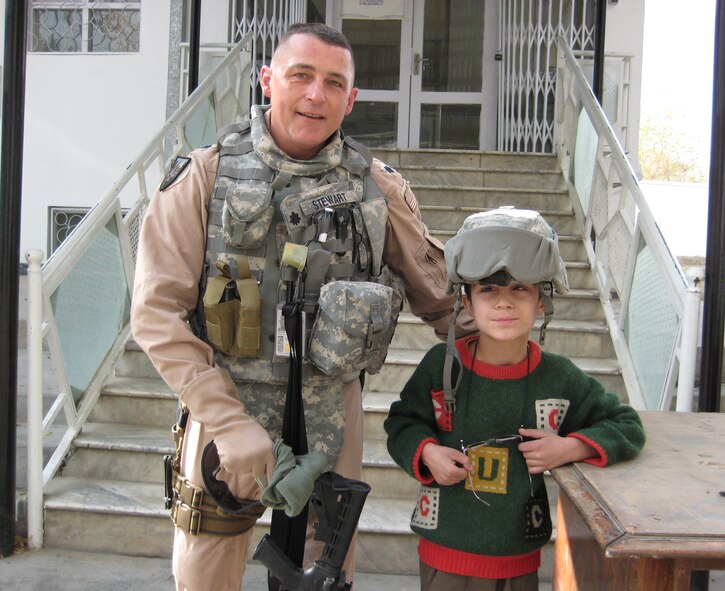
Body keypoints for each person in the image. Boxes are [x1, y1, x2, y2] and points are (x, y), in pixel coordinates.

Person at [131, 22, 471, 591]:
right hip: (226, 416)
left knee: (326, 578)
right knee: (205, 577)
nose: (316, 95)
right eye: (301, 76)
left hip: (332, 419)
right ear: (268, 80)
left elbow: (447, 308)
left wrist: (519, 364)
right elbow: (156, 315)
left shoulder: (378, 191)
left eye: (334, 83)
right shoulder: (203, 179)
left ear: (351, 98)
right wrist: (226, 420)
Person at [384, 207, 646, 591]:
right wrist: (427, 452)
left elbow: (627, 426)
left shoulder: (559, 378)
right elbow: (401, 424)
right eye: (488, 289)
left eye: (520, 288)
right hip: (444, 555)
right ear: (467, 303)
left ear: (542, 301)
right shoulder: (441, 366)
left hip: (519, 560)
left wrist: (570, 447)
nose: (504, 303)